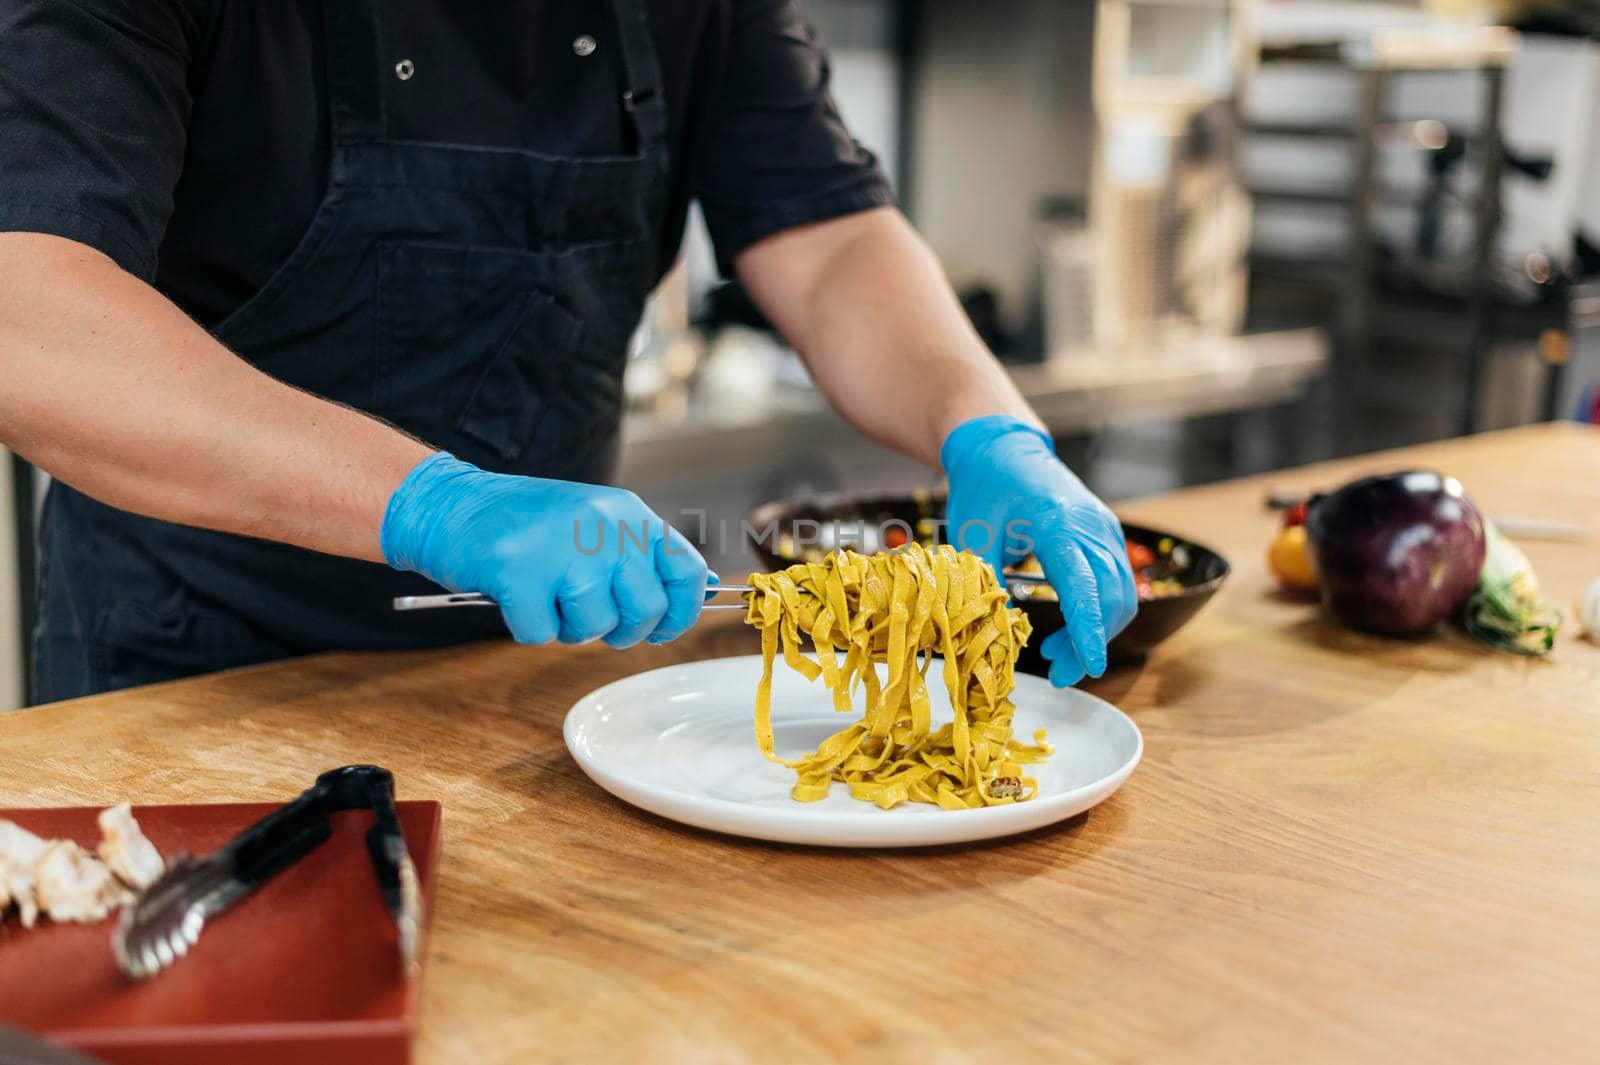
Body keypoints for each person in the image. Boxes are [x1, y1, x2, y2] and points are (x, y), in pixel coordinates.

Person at [0, 0, 1135, 703]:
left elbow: (829, 239)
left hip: (535, 674)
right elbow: (29, 314)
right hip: (193, 669)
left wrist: (987, 426)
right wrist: (440, 506)